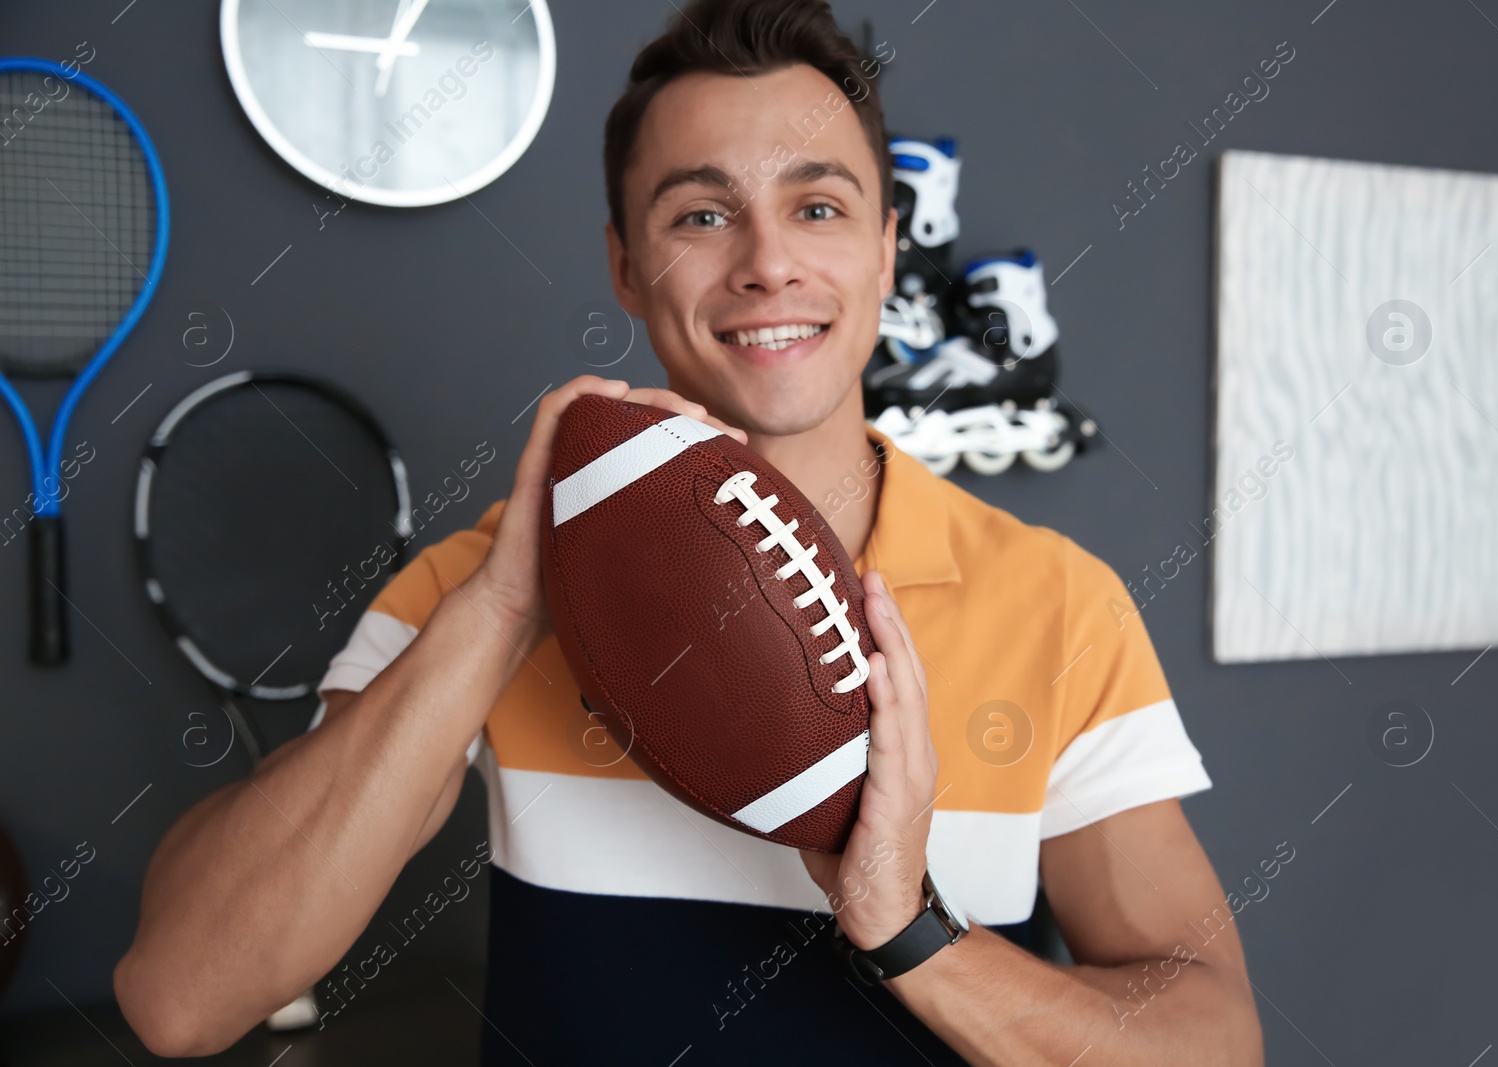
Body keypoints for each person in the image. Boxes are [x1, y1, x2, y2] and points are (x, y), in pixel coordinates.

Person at [115, 1, 1263, 1062]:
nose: (766, 262)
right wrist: (510, 604)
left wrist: (911, 931)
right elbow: (182, 996)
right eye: (702, 214)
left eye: (817, 206)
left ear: (882, 250)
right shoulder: (480, 583)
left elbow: (1214, 1041)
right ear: (625, 263)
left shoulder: (1056, 600)